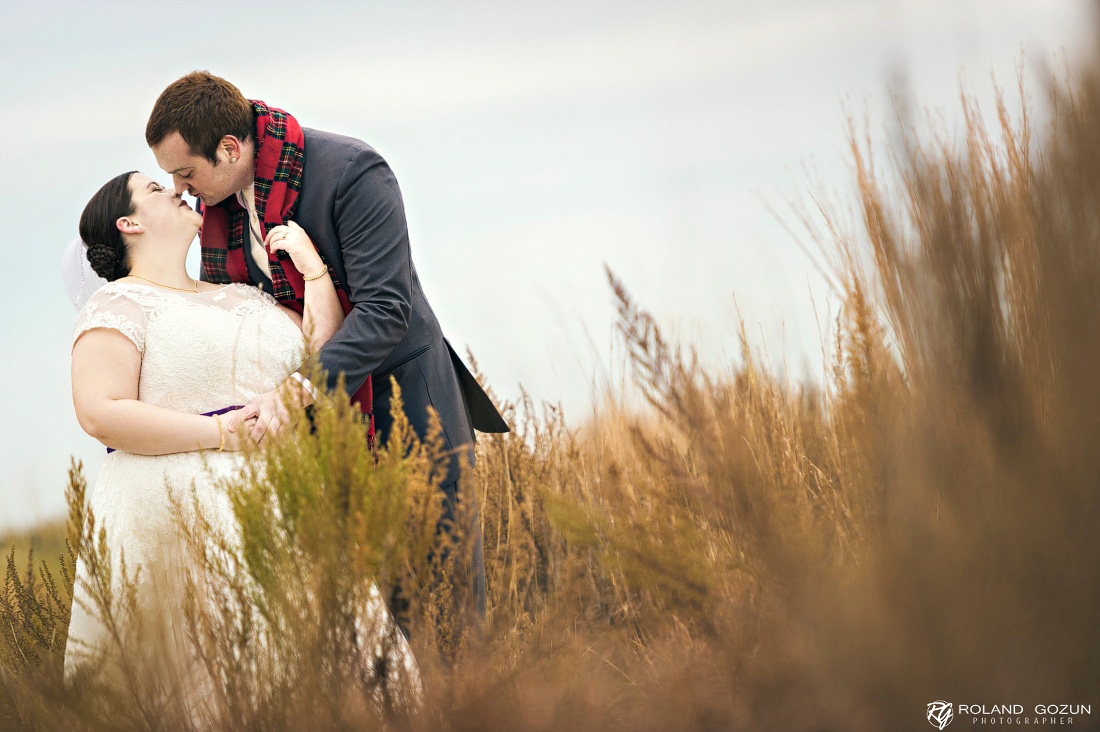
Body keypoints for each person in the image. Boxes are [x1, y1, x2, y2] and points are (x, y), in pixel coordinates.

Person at [145, 71, 509, 630]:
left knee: (446, 603)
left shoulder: (352, 172)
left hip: (406, 404)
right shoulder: (215, 209)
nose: (179, 189)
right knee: (365, 618)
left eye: (186, 172)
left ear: (229, 148)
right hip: (311, 436)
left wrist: (299, 389)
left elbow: (387, 309)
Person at [64, 171, 419, 721]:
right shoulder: (119, 304)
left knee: (327, 674)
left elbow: (320, 357)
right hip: (178, 519)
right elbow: (100, 411)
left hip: (286, 507)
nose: (177, 189)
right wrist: (220, 433)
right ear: (128, 223)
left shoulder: (242, 296)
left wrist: (315, 272)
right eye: (156, 189)